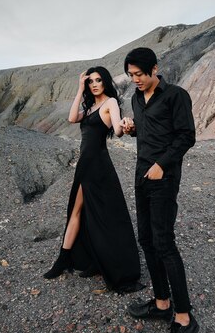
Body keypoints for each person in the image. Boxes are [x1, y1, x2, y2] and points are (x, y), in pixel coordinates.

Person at [121, 47, 199, 333]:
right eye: (131, 76)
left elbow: (186, 136)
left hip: (163, 178)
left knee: (164, 244)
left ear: (154, 69)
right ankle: (162, 303)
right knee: (146, 240)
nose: (135, 80)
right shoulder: (137, 99)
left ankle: (184, 319)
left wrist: (163, 164)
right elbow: (149, 131)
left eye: (139, 74)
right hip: (141, 175)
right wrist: (132, 129)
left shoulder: (176, 96)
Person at [44, 66, 144, 293]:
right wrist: (79, 89)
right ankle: (66, 259)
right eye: (91, 82)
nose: (95, 84)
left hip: (99, 166)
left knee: (106, 215)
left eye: (98, 80)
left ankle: (113, 266)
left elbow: (117, 130)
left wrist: (126, 125)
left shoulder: (109, 103)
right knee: (77, 211)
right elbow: (71, 118)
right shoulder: (90, 107)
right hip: (85, 165)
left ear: (105, 82)